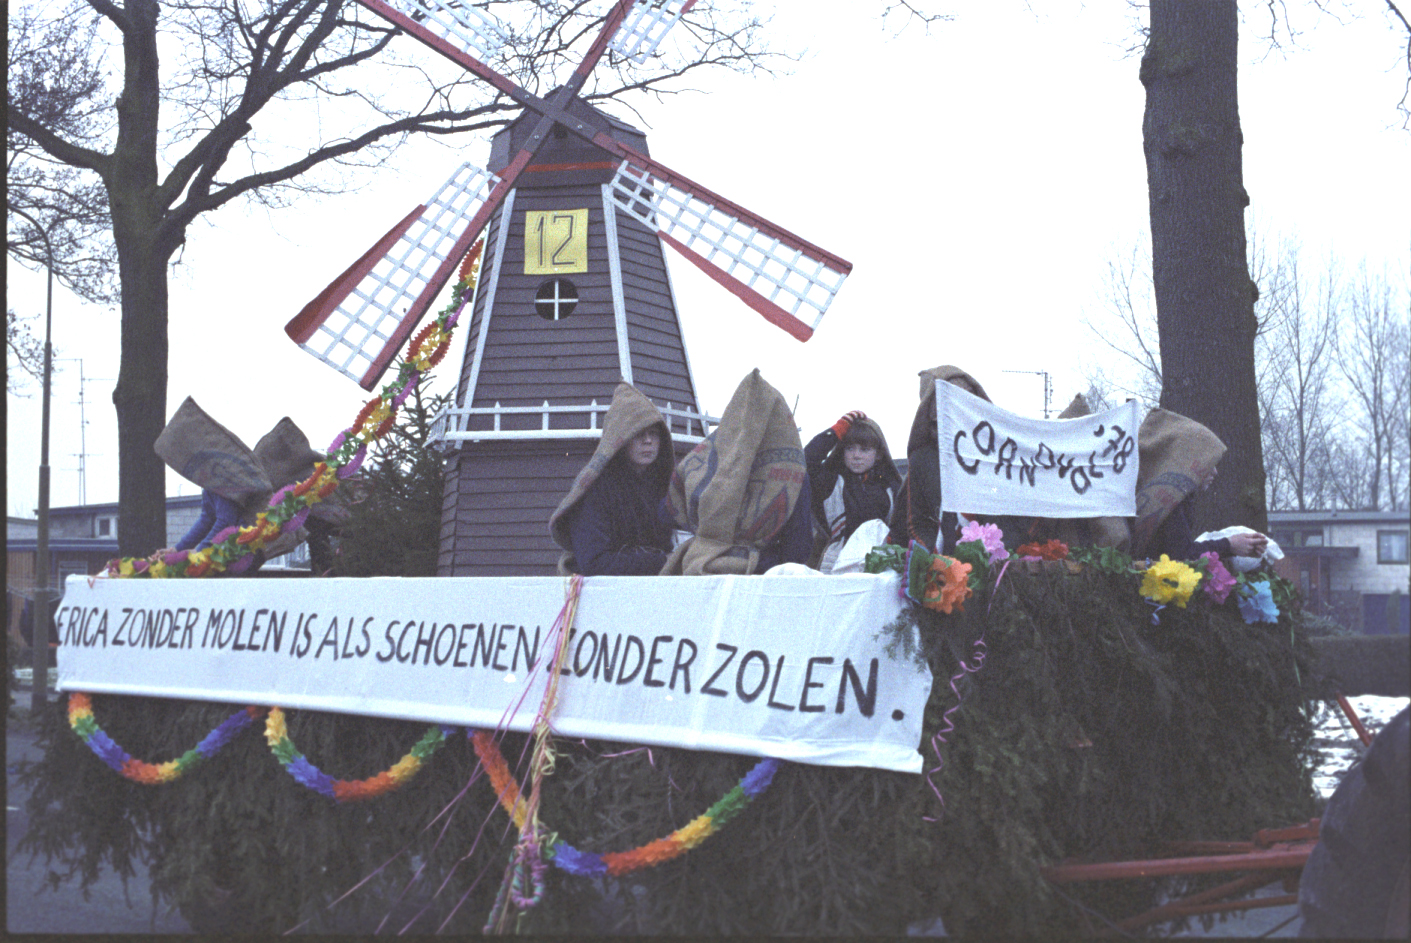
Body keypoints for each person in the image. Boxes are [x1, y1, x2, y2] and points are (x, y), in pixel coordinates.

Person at [550, 384, 675, 575]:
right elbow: (594, 562)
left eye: (654, 434)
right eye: (639, 434)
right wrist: (662, 561)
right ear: (621, 440)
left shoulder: (660, 487)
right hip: (600, 590)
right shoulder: (596, 490)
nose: (648, 441)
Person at [1131, 408, 1269, 561]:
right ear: (1189, 460)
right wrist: (1229, 545)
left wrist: (1233, 545)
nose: (1215, 472)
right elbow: (1181, 556)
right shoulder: (1170, 502)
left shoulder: (1165, 496)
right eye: (1208, 462)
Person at [888, 365, 992, 554]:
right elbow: (917, 521)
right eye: (950, 397)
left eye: (967, 396)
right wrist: (934, 557)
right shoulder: (922, 460)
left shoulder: (992, 455)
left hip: (992, 557)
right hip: (940, 560)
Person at [804, 410, 901, 571]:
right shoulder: (831, 483)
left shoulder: (891, 488)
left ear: (878, 454)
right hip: (833, 564)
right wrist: (835, 431)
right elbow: (806, 461)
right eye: (850, 448)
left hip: (878, 566)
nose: (856, 455)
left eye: (864, 449)